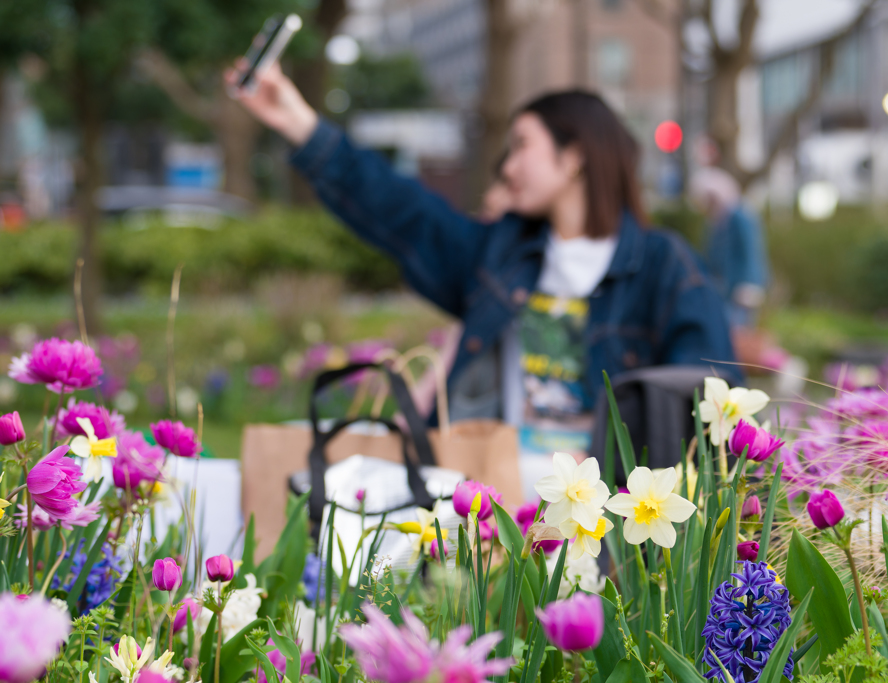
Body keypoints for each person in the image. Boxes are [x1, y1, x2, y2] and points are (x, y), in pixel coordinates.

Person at [225, 62, 736, 485]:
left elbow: (707, 395)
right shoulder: (501, 252)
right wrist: (298, 123)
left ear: (575, 156)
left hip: (605, 517)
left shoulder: (662, 264)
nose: (506, 166)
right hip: (487, 497)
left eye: (521, 145)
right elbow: (402, 213)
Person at [689, 167, 769, 329]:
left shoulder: (740, 216)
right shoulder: (714, 221)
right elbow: (709, 256)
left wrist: (750, 284)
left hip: (741, 289)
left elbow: (751, 251)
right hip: (723, 290)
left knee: (740, 333)